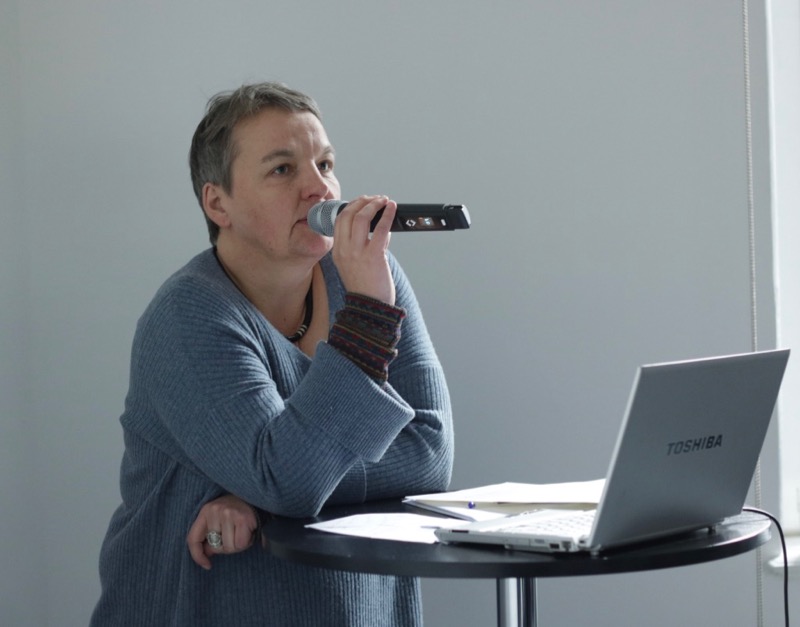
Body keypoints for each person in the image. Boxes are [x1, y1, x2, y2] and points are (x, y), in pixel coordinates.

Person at [90, 82, 454, 626]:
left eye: (325, 164)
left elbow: (429, 455)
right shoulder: (189, 316)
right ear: (218, 203)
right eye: (283, 169)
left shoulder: (371, 276)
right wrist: (368, 318)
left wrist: (257, 502)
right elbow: (288, 480)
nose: (319, 188)